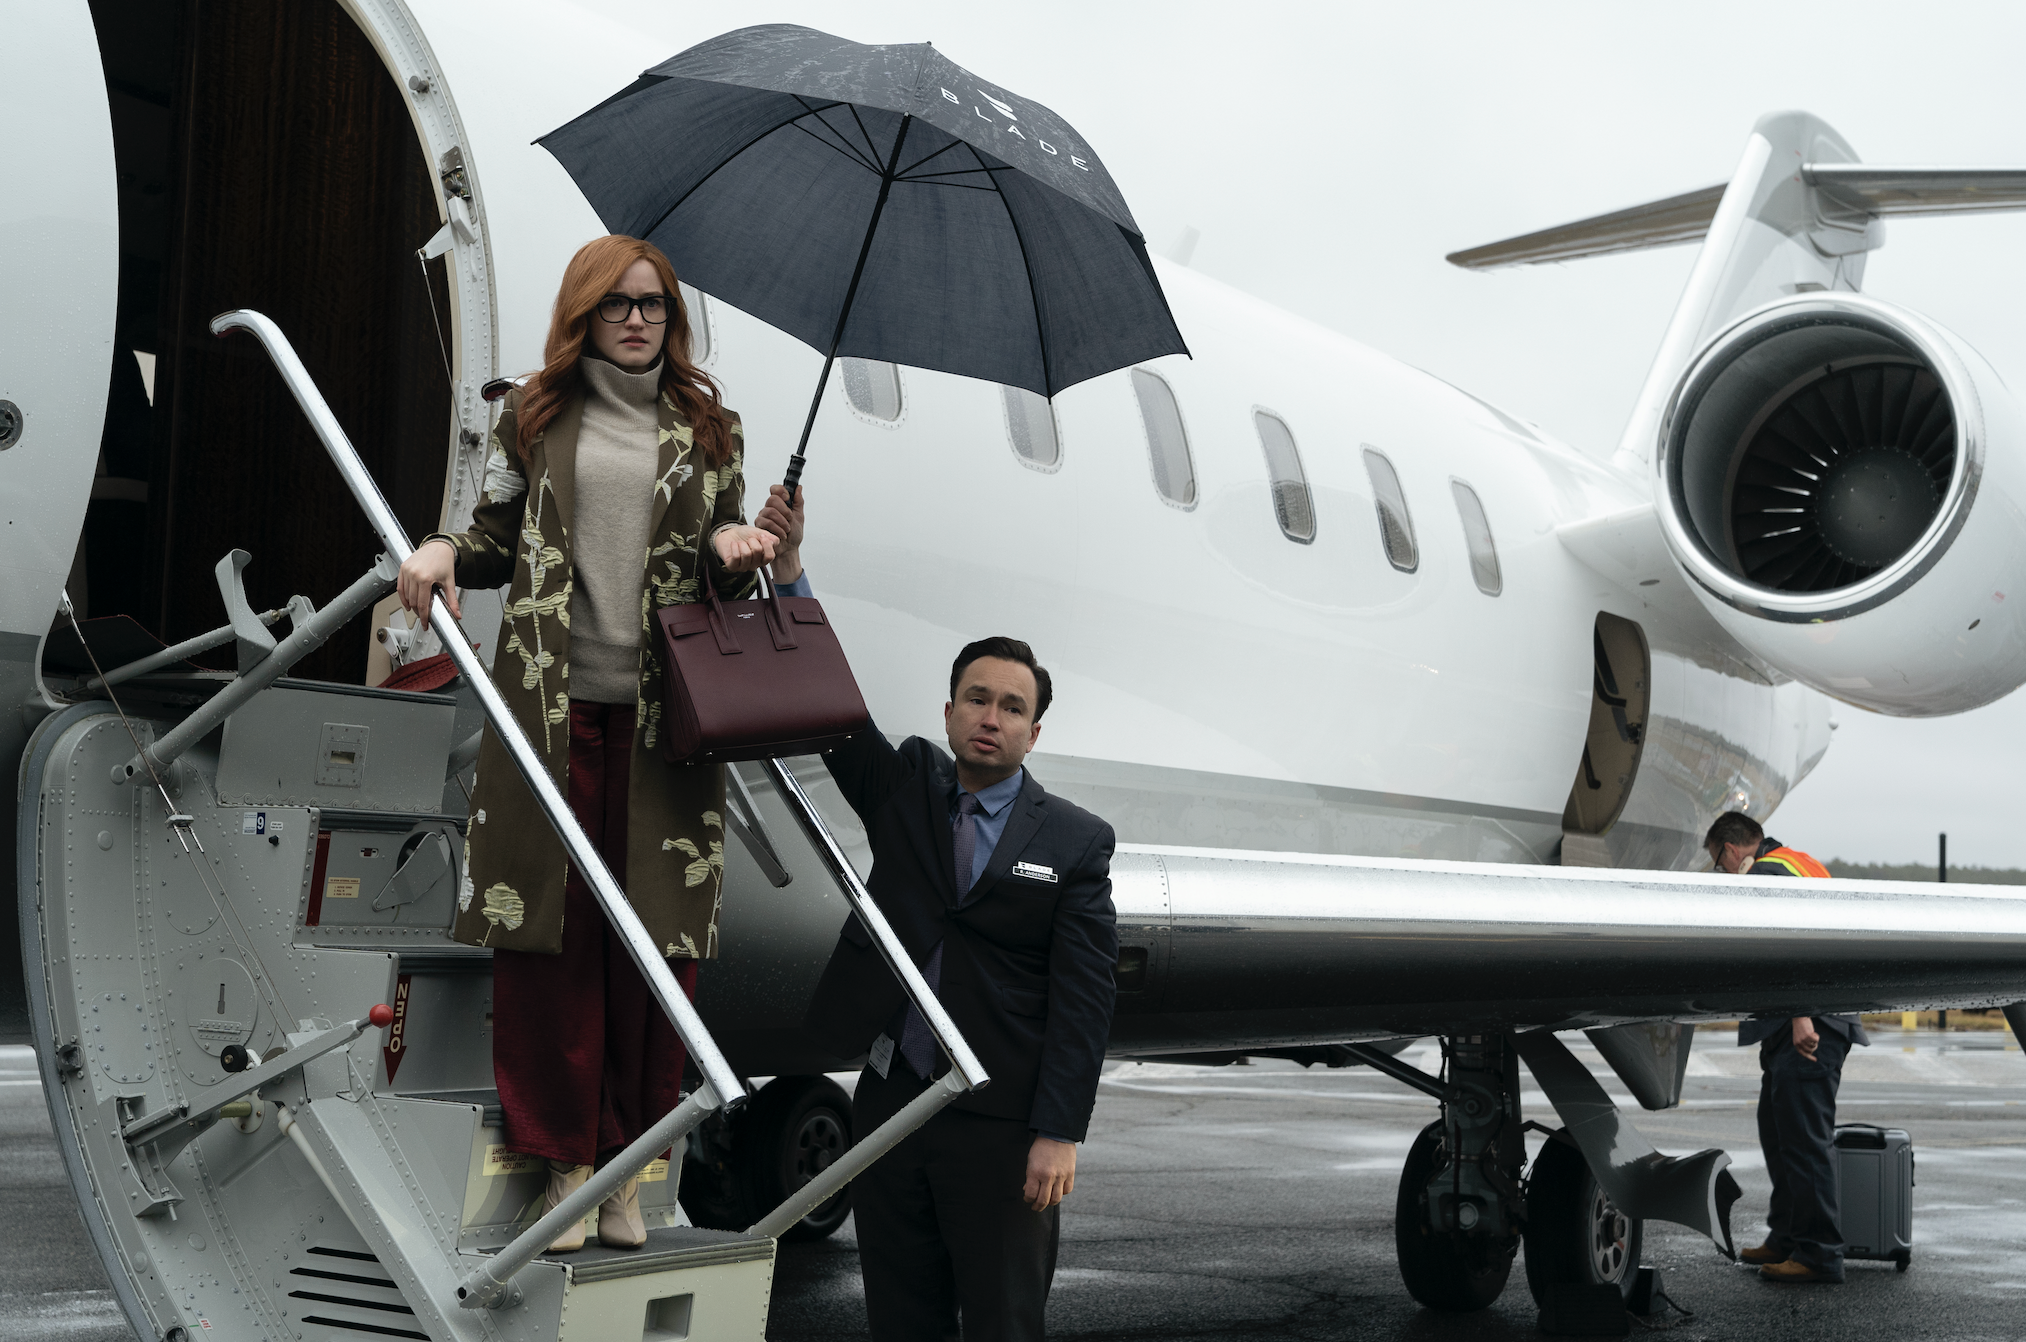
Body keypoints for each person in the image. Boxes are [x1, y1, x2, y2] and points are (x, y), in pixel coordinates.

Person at [396, 235, 792, 1251]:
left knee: (654, 953)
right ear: (582, 311)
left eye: (653, 304)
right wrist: (440, 545)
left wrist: (746, 548)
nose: (636, 319)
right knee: (547, 944)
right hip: (548, 709)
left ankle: (629, 1168)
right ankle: (563, 1161)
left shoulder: (712, 428)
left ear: (672, 317)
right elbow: (489, 540)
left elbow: (725, 563)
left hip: (669, 726)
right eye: (615, 302)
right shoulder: (529, 414)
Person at [803, 637, 1118, 1341]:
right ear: (949, 713)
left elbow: (1083, 1003)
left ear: (1032, 734)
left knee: (1003, 1321)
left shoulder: (1076, 841)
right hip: (891, 1107)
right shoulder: (905, 789)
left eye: (1012, 707)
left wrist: (1059, 1132)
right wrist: (790, 577)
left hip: (1001, 1126)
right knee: (901, 1318)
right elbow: (835, 712)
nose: (991, 717)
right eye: (977, 699)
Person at [1705, 811, 1870, 1284]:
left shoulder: (1762, 872)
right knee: (1781, 1137)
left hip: (1809, 1026)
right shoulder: (1797, 862)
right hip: (1811, 1020)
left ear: (1732, 850)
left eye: (1719, 863)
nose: (1722, 872)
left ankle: (1818, 1254)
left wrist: (1800, 1013)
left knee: (1803, 1144)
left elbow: (1792, 941)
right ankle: (1788, 1237)